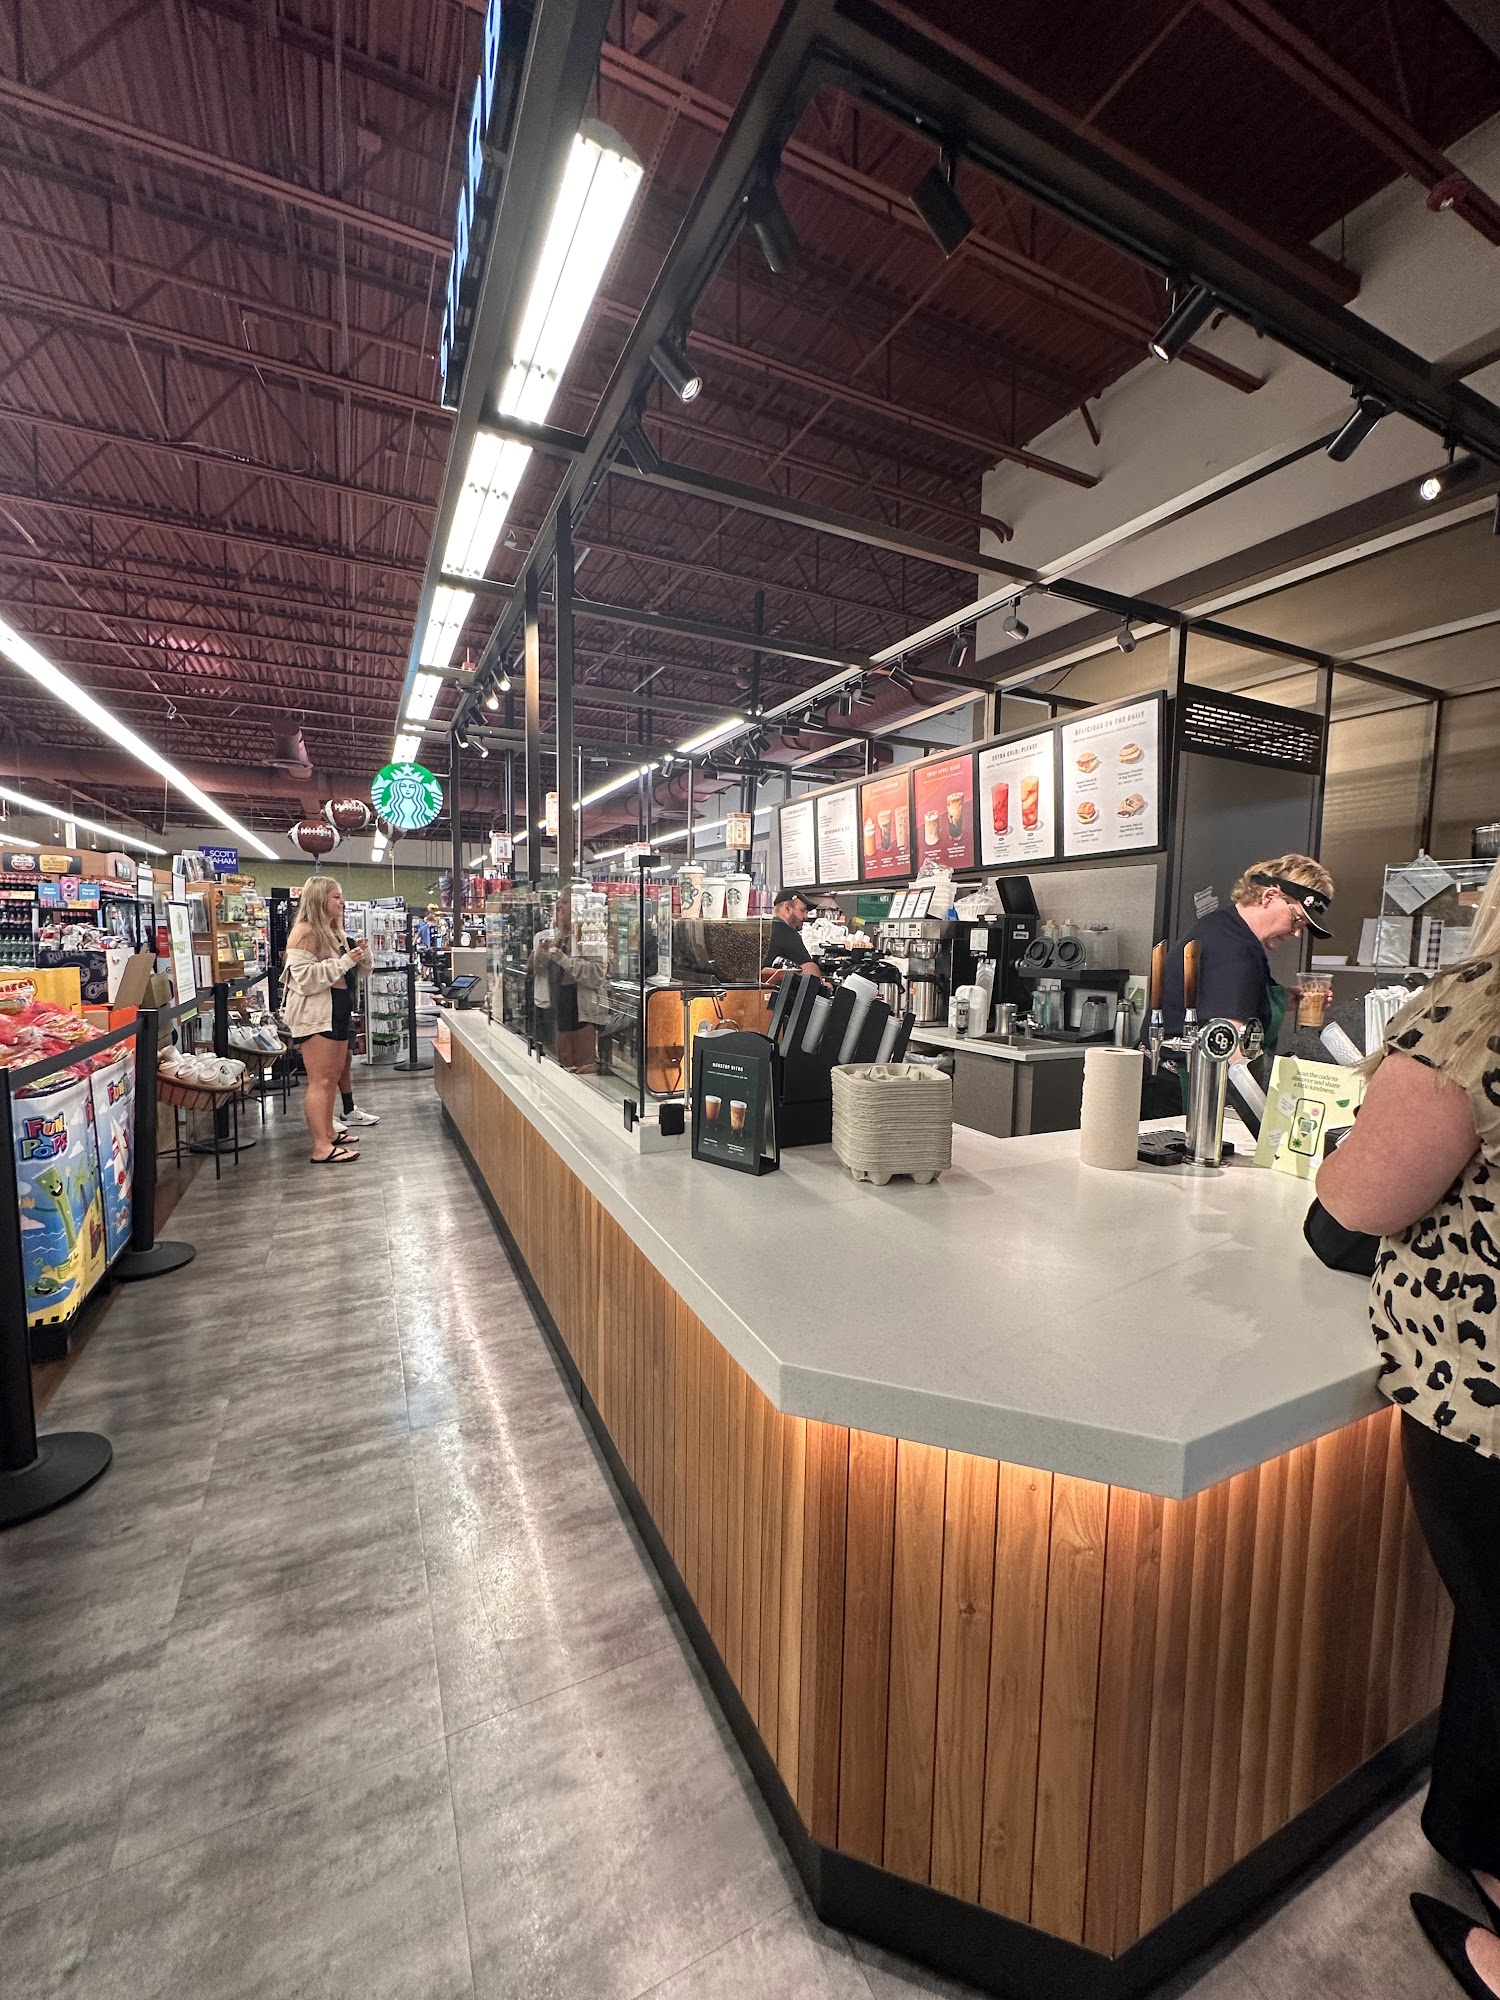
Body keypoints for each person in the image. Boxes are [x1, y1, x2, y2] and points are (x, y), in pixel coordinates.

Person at [1316, 863, 1500, 2000]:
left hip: (1482, 1401)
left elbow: (1360, 1199)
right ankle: (1480, 1835)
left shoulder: (1477, 1010)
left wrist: (1340, 1150)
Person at [1144, 853, 1334, 1114]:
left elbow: (1221, 998)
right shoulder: (1235, 950)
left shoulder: (1222, 926)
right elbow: (1232, 1046)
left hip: (1160, 1080)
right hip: (1182, 1092)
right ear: (1270, 897)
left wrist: (1283, 999)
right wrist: (1273, 1111)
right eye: (1297, 919)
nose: (1297, 932)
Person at [281, 875, 370, 1164]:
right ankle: (321, 1146)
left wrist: (362, 956)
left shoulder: (333, 932)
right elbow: (305, 979)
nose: (342, 902)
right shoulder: (305, 932)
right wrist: (345, 961)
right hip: (317, 1015)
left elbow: (353, 972)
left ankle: (329, 1133)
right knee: (320, 1079)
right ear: (320, 899)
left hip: (337, 1011)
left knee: (332, 1076)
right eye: (336, 896)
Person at [763, 888, 825, 982]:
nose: (806, 916)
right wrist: (824, 985)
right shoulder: (787, 934)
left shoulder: (765, 930)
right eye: (802, 910)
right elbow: (810, 970)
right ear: (787, 908)